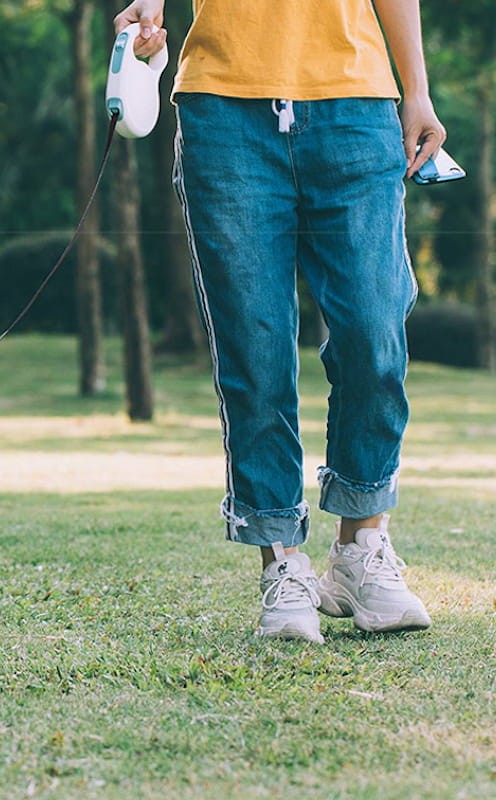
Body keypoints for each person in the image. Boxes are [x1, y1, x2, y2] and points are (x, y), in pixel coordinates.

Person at [114, 0, 445, 642]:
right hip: (225, 105)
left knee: (375, 334)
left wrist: (418, 90)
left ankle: (361, 551)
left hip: (356, 102)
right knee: (254, 351)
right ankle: (282, 564)